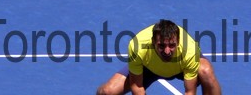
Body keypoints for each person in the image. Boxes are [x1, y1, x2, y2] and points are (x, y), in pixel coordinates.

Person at [94, 19, 222, 95]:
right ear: (153, 42)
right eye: (161, 46)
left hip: (180, 68)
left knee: (206, 71)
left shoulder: (189, 50)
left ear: (178, 41)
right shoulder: (137, 47)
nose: (167, 51)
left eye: (172, 45)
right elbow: (137, 87)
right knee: (107, 92)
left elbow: (190, 92)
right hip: (147, 68)